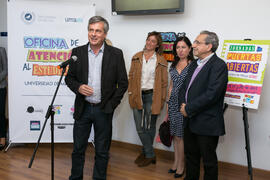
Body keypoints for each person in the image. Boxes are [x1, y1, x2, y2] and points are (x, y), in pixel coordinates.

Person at [65, 16, 128, 180]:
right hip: (83, 108)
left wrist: (111, 104)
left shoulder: (115, 54)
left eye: (98, 31)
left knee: (101, 151)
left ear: (105, 34)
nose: (93, 34)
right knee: (78, 148)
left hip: (103, 109)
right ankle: (75, 177)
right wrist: (78, 87)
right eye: (91, 30)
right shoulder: (77, 52)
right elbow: (69, 78)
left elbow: (123, 83)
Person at [179, 31, 228, 180]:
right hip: (189, 121)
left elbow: (212, 94)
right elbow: (184, 87)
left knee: (208, 162)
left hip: (207, 122)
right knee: (191, 158)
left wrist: (188, 108)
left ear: (209, 46)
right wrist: (182, 104)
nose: (193, 45)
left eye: (197, 43)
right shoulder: (194, 63)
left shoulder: (219, 66)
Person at [128, 31, 168, 167]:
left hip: (153, 96)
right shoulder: (136, 57)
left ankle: (146, 152)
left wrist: (162, 100)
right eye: (148, 40)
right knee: (140, 127)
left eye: (153, 41)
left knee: (150, 126)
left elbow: (164, 83)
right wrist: (130, 93)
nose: (149, 43)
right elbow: (131, 77)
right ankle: (150, 154)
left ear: (157, 45)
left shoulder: (161, 61)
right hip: (138, 95)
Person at [167, 36, 194, 178]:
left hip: (184, 106)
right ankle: (176, 162)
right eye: (178, 47)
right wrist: (168, 105)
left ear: (190, 49)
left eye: (183, 47)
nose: (180, 50)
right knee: (176, 136)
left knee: (182, 136)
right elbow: (171, 86)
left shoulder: (193, 65)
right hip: (172, 105)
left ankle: (181, 166)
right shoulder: (173, 64)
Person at [0, 47, 7, 150]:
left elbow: (6, 69)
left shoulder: (1, 50)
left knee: (0, 113)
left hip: (0, 87)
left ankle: (2, 138)